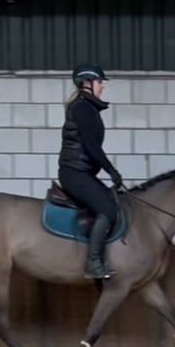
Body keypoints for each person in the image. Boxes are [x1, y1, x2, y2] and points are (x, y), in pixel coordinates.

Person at [57, 63, 124, 280]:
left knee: (111, 203)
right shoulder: (83, 108)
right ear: (86, 83)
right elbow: (90, 146)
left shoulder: (87, 107)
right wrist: (111, 170)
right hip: (74, 174)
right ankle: (93, 263)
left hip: (81, 172)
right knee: (108, 210)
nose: (102, 86)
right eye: (99, 82)